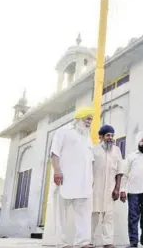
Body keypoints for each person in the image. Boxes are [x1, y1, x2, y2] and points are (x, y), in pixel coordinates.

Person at [50, 106, 94, 248]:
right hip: (65, 179)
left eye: (91, 120)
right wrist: (57, 171)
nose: (90, 122)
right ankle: (62, 243)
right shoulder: (63, 131)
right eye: (88, 118)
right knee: (61, 214)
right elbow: (54, 153)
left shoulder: (88, 137)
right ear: (79, 118)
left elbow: (90, 160)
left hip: (83, 182)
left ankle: (82, 243)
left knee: (84, 214)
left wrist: (90, 179)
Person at [90, 125, 124, 248]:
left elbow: (120, 171)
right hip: (95, 188)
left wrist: (117, 189)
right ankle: (90, 241)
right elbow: (89, 170)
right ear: (101, 137)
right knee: (93, 216)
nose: (110, 138)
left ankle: (108, 242)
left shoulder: (117, 151)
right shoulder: (94, 150)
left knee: (108, 216)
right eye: (108, 135)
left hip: (110, 189)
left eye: (112, 135)